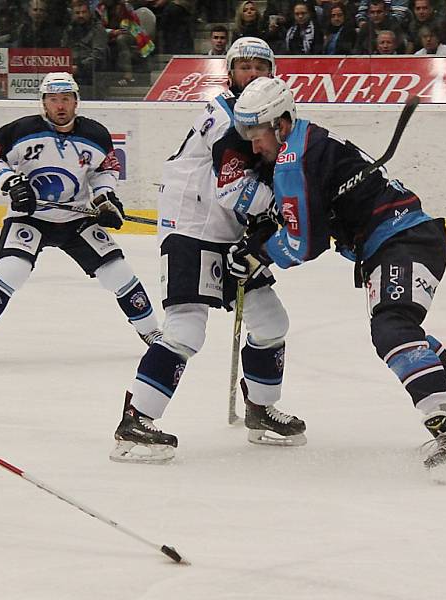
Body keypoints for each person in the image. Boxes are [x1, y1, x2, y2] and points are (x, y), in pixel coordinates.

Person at [230, 77, 446, 483]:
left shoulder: (292, 159)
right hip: (402, 240)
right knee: (403, 330)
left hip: (401, 240)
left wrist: (261, 253)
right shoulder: (308, 141)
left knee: (392, 329)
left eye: (258, 135)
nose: (254, 146)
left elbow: (305, 245)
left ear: (281, 123)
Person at [109, 38, 306, 465]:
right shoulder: (224, 115)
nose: (252, 74)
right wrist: (279, 210)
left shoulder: (268, 118)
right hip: (193, 228)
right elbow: (233, 186)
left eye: (260, 67)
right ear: (229, 74)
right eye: (243, 67)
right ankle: (136, 420)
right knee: (185, 329)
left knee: (272, 322)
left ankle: (260, 409)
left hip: (228, 230)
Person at [0, 73, 161, 361]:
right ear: (43, 103)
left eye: (66, 99)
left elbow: (104, 172)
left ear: (76, 102)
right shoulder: (22, 130)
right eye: (53, 100)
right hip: (30, 216)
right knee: (10, 271)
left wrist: (105, 200)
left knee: (119, 271)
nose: (60, 106)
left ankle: (151, 332)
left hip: (76, 219)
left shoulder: (95, 135)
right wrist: (10, 182)